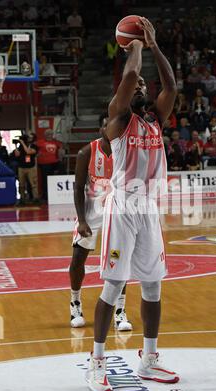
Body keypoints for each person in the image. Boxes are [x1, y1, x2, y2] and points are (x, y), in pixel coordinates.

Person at [86, 18, 179, 391]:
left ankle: (149, 359)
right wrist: (135, 47)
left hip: (149, 209)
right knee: (113, 285)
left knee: (153, 285)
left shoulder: (155, 119)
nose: (142, 85)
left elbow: (170, 85)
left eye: (144, 84)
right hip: (122, 207)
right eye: (137, 84)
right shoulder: (118, 118)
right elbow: (128, 80)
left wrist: (154, 45)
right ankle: (97, 362)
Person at [70, 115, 132, 331]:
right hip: (91, 214)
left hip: (116, 214)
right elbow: (78, 188)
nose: (112, 128)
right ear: (101, 128)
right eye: (108, 125)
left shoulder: (124, 151)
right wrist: (82, 220)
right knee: (78, 259)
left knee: (118, 261)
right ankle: (75, 303)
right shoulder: (86, 152)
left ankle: (120, 310)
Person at [37, 129, 63, 201]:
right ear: (45, 135)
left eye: (51, 134)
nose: (49, 135)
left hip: (54, 163)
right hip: (44, 163)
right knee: (45, 180)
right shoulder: (39, 142)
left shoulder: (56, 142)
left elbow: (62, 147)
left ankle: (54, 194)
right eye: (48, 134)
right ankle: (45, 196)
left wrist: (61, 152)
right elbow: (33, 149)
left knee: (54, 180)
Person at [14, 134, 39, 205]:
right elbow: (17, 155)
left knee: (33, 184)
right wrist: (16, 147)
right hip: (21, 167)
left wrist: (22, 143)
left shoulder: (34, 146)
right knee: (21, 184)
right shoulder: (21, 147)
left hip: (31, 168)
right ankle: (22, 198)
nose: (28, 138)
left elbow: (28, 152)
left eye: (30, 137)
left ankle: (36, 198)